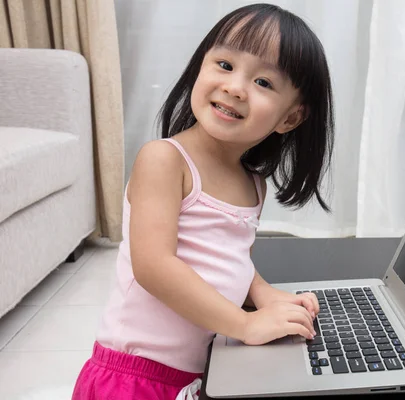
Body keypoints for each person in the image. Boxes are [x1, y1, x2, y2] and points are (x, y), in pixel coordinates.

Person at [71, 3, 334, 399]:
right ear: (200, 67)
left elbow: (229, 257)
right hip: (134, 377)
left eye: (263, 82)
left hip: (197, 374)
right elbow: (155, 267)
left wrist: (262, 293)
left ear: (290, 119)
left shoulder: (253, 185)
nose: (234, 87)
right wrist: (245, 325)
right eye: (225, 65)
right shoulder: (164, 160)